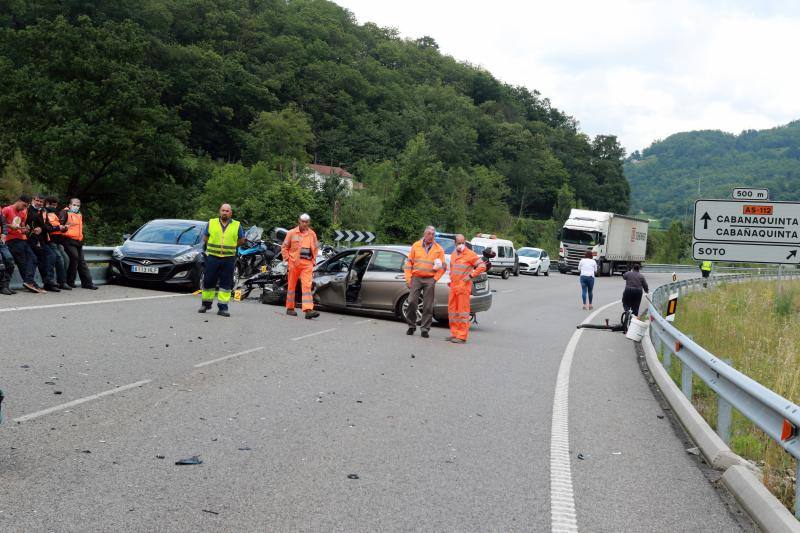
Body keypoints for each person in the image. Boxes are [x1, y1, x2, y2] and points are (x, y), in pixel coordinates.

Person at [199, 203, 245, 317]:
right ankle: (206, 304)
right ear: (220, 211)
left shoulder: (237, 225)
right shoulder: (211, 222)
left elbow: (242, 240)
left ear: (231, 213)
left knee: (226, 283)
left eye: (227, 211)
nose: (225, 212)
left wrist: (232, 246)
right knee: (208, 280)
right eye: (223, 210)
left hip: (228, 258)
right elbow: (206, 238)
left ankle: (223, 308)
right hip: (213, 257)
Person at [404, 225, 447, 338]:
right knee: (412, 302)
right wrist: (408, 279)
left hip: (430, 279)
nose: (431, 236)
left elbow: (443, 267)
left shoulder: (439, 249)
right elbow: (408, 264)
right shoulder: (416, 245)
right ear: (424, 234)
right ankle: (411, 326)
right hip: (416, 278)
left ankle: (425, 329)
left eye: (433, 234)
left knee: (428, 306)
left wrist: (434, 279)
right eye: (429, 234)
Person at [446, 234, 486, 344]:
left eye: (463, 242)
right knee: (452, 312)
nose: (461, 245)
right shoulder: (454, 254)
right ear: (455, 243)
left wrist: (470, 276)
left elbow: (482, 266)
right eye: (459, 243)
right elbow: (452, 269)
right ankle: (454, 334)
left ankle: (462, 336)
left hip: (463, 288)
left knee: (462, 312)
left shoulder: (470, 254)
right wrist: (451, 279)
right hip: (454, 287)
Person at [282, 213, 320, 319]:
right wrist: (288, 260)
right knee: (291, 286)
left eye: (306, 222)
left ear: (309, 222)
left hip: (307, 264)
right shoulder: (291, 233)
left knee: (307, 285)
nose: (304, 224)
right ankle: (290, 308)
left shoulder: (312, 234)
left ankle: (308, 310)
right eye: (303, 221)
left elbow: (316, 247)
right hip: (294, 263)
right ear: (299, 221)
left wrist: (313, 260)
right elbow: (284, 247)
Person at [2, 194, 43, 293]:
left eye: (26, 206)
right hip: (10, 239)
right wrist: (10, 226)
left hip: (21, 238)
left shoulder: (23, 213)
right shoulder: (7, 210)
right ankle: (29, 282)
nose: (24, 208)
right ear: (19, 201)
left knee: (33, 258)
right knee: (20, 261)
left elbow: (23, 227)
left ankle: (29, 281)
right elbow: (1, 224)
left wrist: (28, 230)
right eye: (24, 205)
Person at [59, 198, 98, 290]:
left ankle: (87, 283)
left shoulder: (79, 214)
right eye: (74, 204)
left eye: (78, 205)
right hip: (68, 239)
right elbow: (59, 226)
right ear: (69, 205)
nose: (76, 207)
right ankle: (69, 282)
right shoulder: (64, 213)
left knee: (81, 262)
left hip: (78, 241)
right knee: (74, 259)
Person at [27, 193, 60, 292]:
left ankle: (48, 282)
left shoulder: (42, 211)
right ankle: (48, 281)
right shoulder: (28, 210)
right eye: (37, 201)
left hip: (41, 239)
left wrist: (41, 228)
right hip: (31, 239)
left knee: (50, 257)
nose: (39, 203)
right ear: (33, 200)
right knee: (46, 257)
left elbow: (45, 225)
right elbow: (27, 223)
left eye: (41, 202)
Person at [44, 196, 70, 290]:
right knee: (59, 259)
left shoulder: (54, 214)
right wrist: (59, 228)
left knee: (66, 259)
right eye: (53, 205)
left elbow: (58, 226)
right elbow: (48, 228)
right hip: (51, 241)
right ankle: (61, 282)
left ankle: (61, 281)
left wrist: (64, 228)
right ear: (47, 204)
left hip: (58, 241)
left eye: (55, 205)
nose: (55, 207)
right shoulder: (44, 213)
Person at [0, 208, 17, 295]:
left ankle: (6, 285)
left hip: (1, 241)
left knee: (10, 261)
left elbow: (3, 223)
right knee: (1, 264)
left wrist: (4, 233)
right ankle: (2, 286)